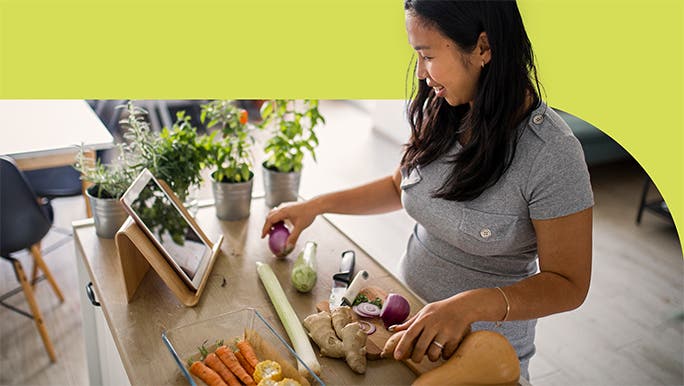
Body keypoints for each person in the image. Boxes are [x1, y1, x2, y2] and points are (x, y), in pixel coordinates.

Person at [261, 0, 593, 380]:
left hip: (482, 358)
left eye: (428, 55)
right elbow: (398, 185)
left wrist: (471, 305)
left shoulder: (552, 153)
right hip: (400, 329)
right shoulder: (446, 107)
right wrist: (316, 206)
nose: (421, 73)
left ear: (483, 48)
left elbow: (569, 285)